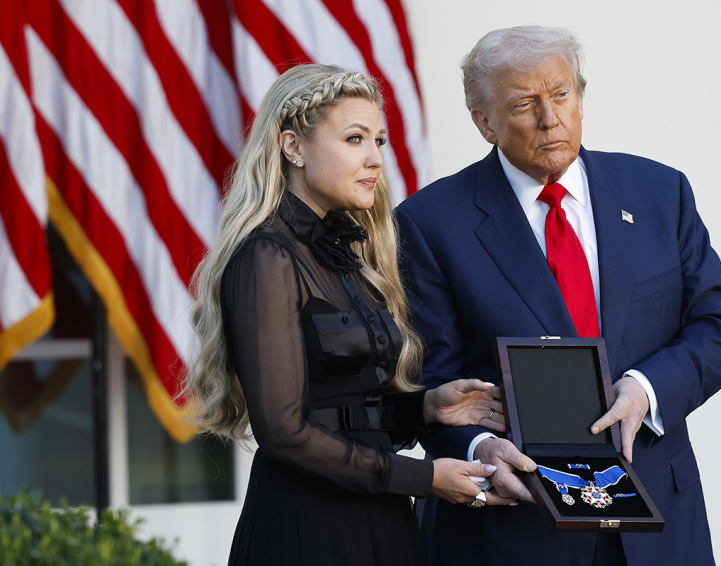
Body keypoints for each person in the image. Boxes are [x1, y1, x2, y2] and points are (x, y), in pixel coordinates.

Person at [395, 26, 721, 566]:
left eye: (561, 94)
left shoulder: (660, 192)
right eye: (523, 103)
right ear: (484, 122)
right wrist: (477, 451)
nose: (549, 118)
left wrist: (645, 390)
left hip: (659, 524)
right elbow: (431, 381)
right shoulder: (429, 223)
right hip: (515, 528)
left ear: (580, 96)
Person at [182, 63, 506, 566]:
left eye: (379, 141)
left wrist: (426, 407)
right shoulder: (267, 256)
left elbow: (345, 410)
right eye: (355, 139)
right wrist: (425, 478)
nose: (375, 158)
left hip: (381, 516)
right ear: (293, 147)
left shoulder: (345, 253)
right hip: (306, 528)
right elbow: (286, 432)